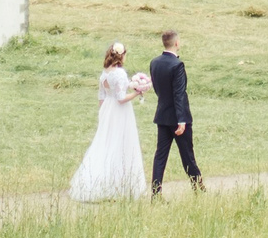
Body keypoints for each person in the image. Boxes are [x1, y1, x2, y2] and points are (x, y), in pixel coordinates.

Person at [69, 41, 152, 202]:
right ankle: (119, 185)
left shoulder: (105, 73)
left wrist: (103, 115)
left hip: (107, 110)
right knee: (120, 143)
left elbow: (102, 96)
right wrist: (137, 92)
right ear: (121, 56)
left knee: (105, 142)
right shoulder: (119, 73)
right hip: (120, 112)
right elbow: (121, 98)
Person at [147, 29, 203, 195]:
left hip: (162, 115)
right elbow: (179, 93)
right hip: (179, 119)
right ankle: (198, 188)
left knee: (160, 157)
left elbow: (158, 89)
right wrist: (181, 120)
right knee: (187, 155)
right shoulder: (177, 65)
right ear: (177, 43)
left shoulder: (154, 62)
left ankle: (156, 193)